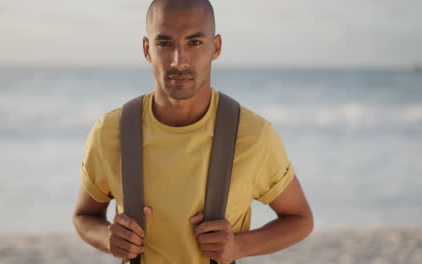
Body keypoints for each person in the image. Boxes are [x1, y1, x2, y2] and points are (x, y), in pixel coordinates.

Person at [72, 0, 314, 263]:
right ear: (146, 49)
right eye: (164, 44)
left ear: (216, 47)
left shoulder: (253, 135)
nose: (179, 61)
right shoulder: (111, 130)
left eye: (194, 42)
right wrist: (108, 236)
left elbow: (300, 219)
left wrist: (240, 246)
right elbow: (84, 216)